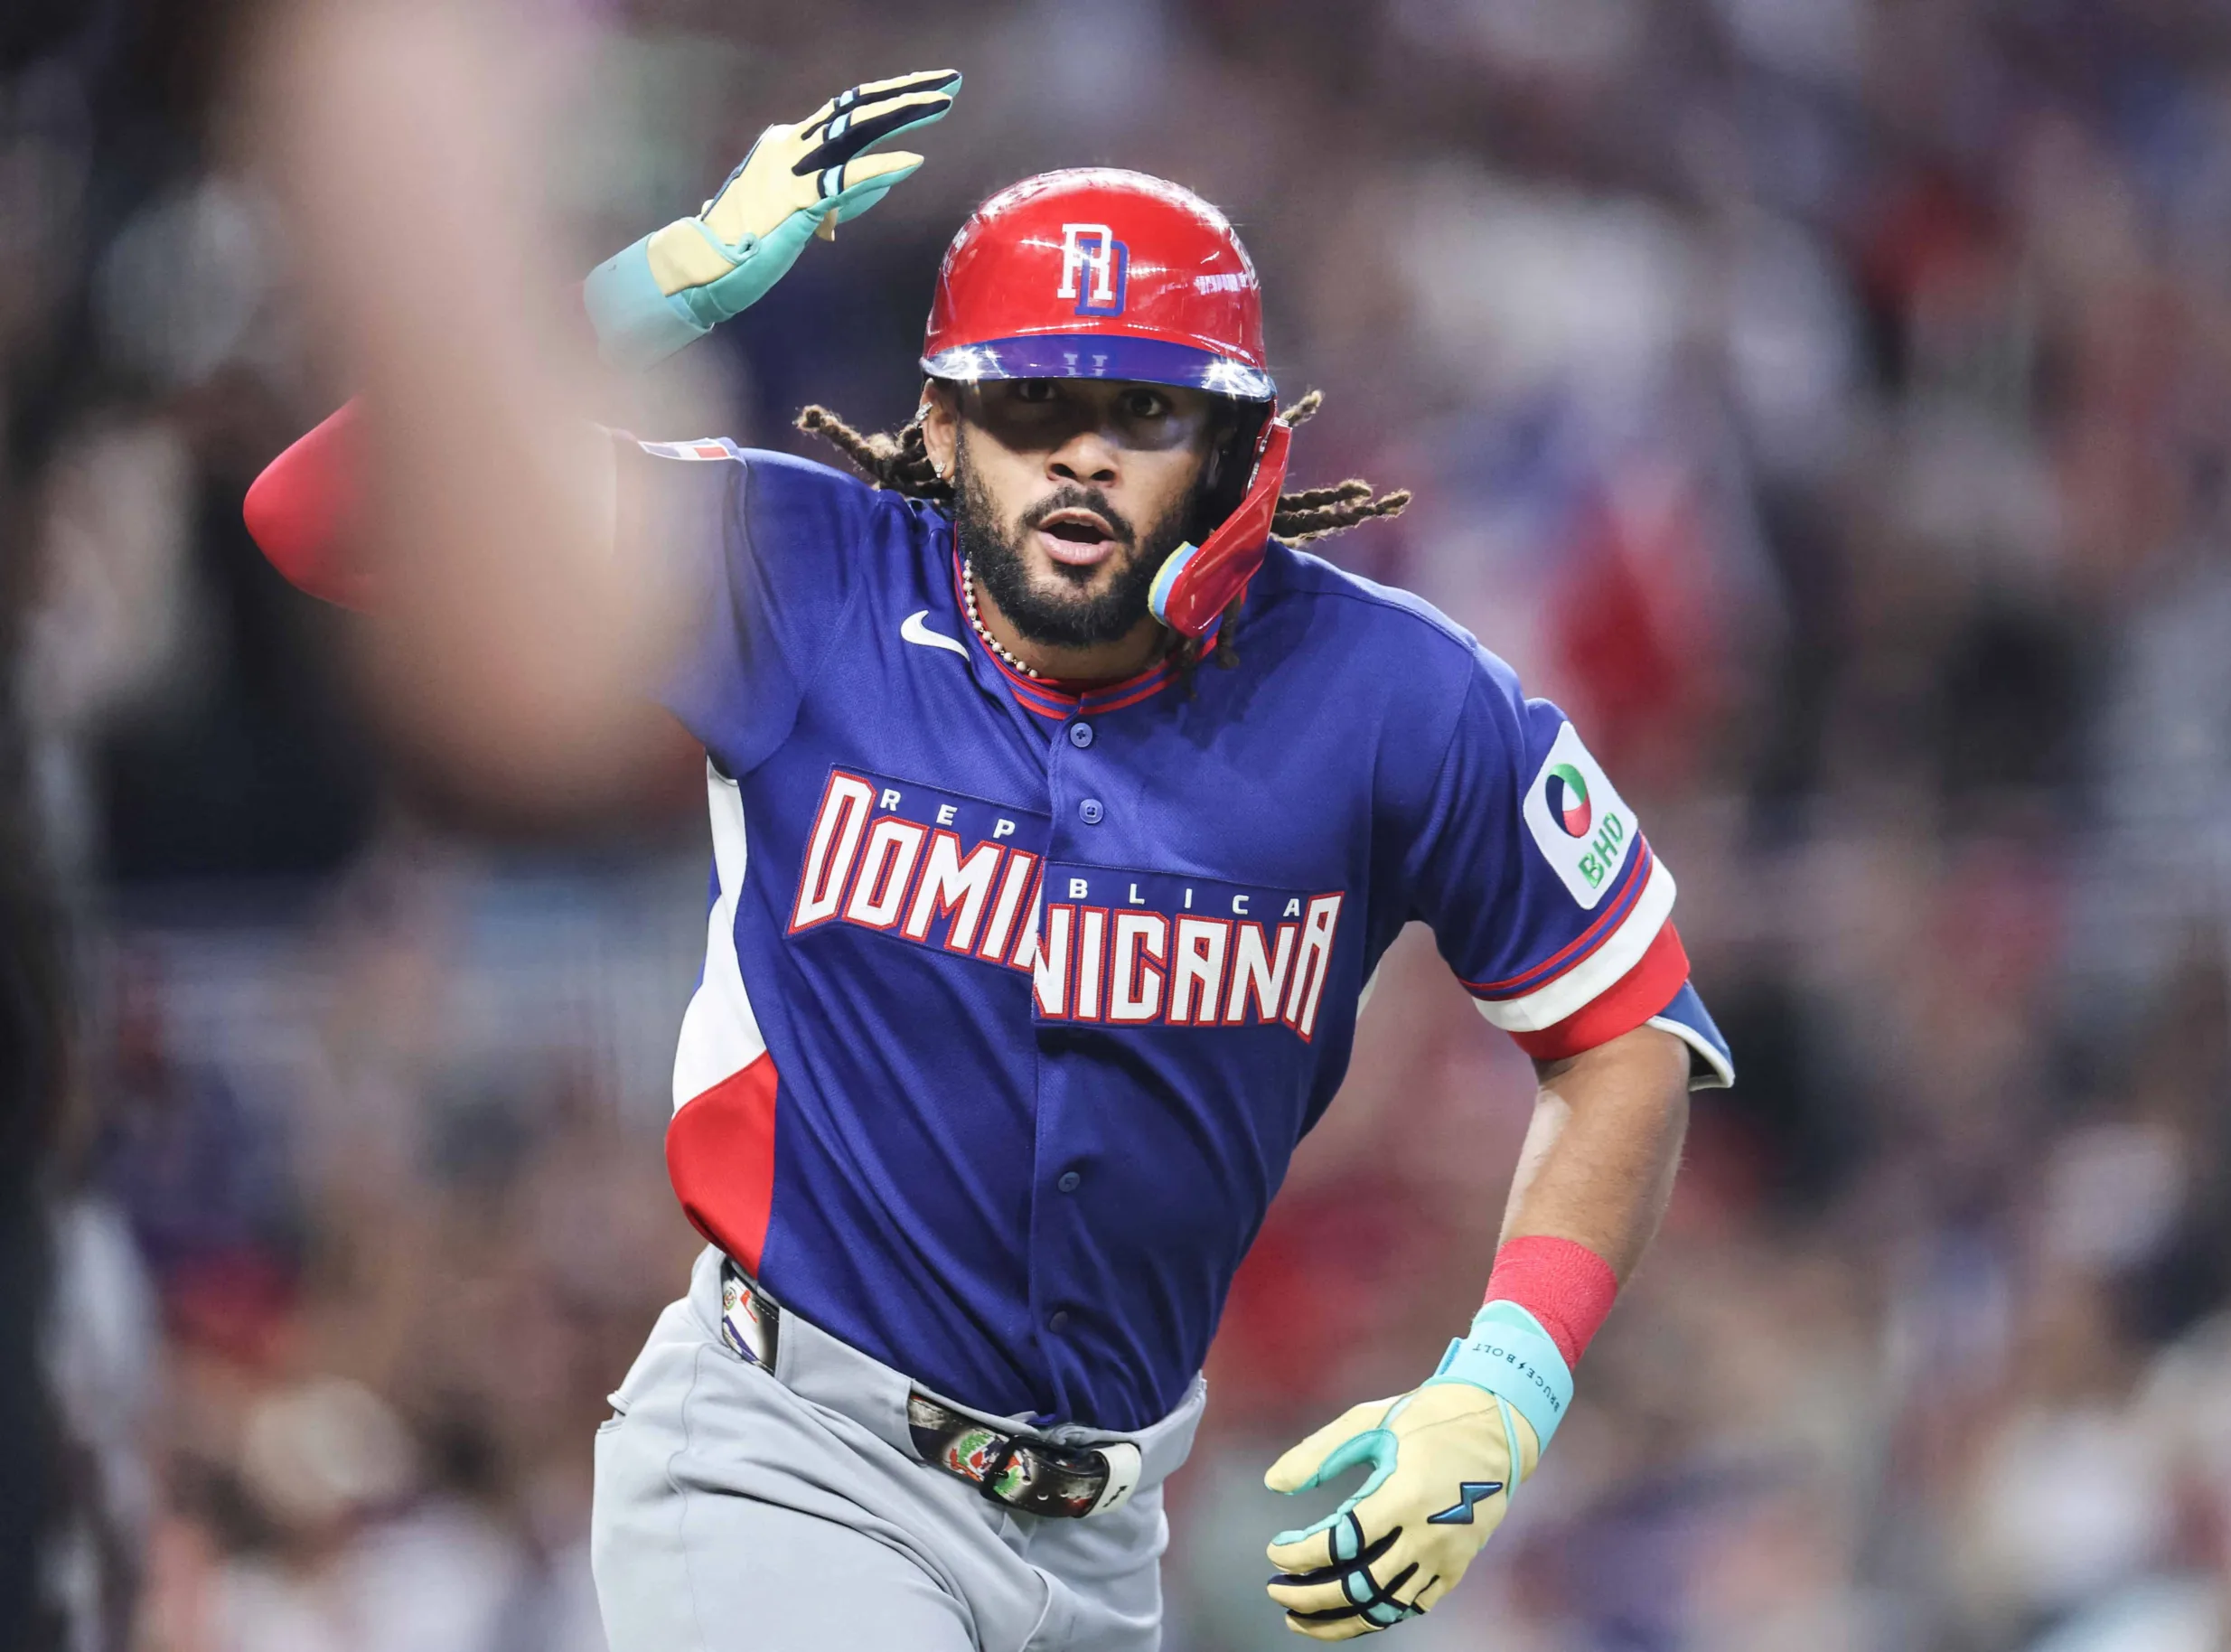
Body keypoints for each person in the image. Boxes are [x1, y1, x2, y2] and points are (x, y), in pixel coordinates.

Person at [244, 70, 1732, 1651]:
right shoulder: (793, 570)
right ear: (945, 428)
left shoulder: (1389, 694)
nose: (1081, 455)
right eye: (1030, 406)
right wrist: (662, 282)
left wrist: (1507, 1382)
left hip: (1109, 1541)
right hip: (784, 1467)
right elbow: (312, 514)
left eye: (1143, 411)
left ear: (1236, 446)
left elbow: (1626, 1027)